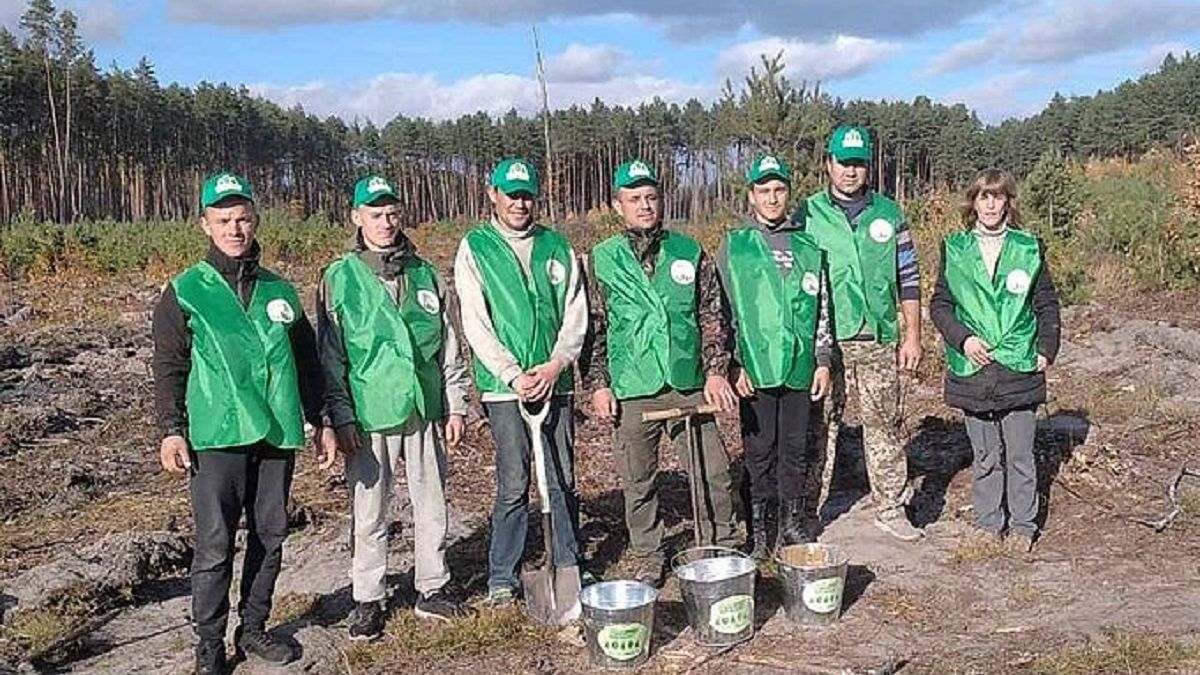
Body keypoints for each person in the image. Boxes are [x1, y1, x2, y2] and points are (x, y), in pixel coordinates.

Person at [152, 172, 334, 674]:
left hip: (275, 432)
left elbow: (306, 361)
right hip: (216, 436)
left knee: (270, 535)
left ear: (255, 221)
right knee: (214, 544)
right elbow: (169, 365)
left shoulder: (280, 290)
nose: (235, 229)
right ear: (205, 224)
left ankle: (253, 628)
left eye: (243, 219)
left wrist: (321, 420)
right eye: (224, 220)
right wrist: (172, 428)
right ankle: (208, 644)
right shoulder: (185, 291)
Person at [317, 176, 474, 640]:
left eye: (392, 213)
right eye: (375, 214)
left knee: (432, 503)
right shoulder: (338, 277)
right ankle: (368, 597)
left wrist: (456, 405)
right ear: (356, 217)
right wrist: (339, 417)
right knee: (370, 511)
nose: (385, 223)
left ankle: (433, 586)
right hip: (368, 416)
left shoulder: (426, 275)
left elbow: (449, 346)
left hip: (424, 409)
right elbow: (331, 358)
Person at [586, 159, 740, 586]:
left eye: (651, 197)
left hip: (688, 380)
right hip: (634, 385)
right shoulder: (601, 259)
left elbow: (712, 315)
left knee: (714, 469)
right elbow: (594, 328)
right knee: (638, 480)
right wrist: (599, 384)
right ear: (618, 206)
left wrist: (715, 371)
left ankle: (721, 544)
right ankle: (649, 553)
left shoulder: (689, 252)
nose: (645, 206)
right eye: (634, 199)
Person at [453, 158, 589, 605]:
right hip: (504, 389)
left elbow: (575, 312)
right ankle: (501, 577)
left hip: (555, 383)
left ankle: (568, 562)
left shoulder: (557, 246)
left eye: (527, 193)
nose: (519, 202)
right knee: (515, 481)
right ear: (492, 194)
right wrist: (513, 374)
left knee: (561, 476)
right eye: (511, 194)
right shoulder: (476, 247)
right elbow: (475, 320)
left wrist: (555, 365)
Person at [800, 126, 925, 541]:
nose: (850, 171)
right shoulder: (807, 214)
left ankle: (890, 507)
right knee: (820, 427)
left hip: (878, 336)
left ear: (867, 166)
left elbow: (909, 277)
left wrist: (912, 335)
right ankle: (810, 511)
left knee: (884, 424)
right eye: (843, 162)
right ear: (828, 164)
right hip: (826, 343)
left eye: (858, 163)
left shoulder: (889, 214)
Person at [930, 168, 1061, 555]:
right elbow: (941, 305)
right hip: (974, 367)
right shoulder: (954, 247)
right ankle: (989, 524)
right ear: (973, 202)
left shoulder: (1028, 246)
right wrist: (963, 338)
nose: (990, 204)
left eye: (997, 196)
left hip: (1018, 365)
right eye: (983, 197)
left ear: (1008, 202)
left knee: (1020, 455)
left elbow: (1046, 303)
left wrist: (1047, 348)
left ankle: (1023, 526)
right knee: (986, 456)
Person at [716, 154, 832, 559]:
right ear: (751, 196)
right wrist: (732, 363)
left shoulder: (808, 246)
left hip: (799, 366)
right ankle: (760, 530)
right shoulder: (736, 246)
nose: (772, 198)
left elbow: (823, 308)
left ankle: (792, 522)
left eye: (779, 190)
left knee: (795, 448)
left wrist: (822, 358)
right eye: (763, 191)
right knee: (760, 450)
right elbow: (722, 311)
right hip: (755, 368)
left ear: (789, 194)